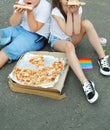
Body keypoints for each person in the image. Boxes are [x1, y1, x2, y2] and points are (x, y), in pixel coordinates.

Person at [48, 0, 110, 103]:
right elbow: (67, 31)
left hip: (72, 38)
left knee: (87, 23)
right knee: (69, 46)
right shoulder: (56, 12)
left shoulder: (78, 8)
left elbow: (76, 31)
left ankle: (102, 58)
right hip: (58, 42)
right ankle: (86, 83)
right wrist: (69, 12)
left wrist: (75, 13)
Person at [0, 0, 51, 68]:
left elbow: (34, 28)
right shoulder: (22, 2)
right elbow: (13, 23)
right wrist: (18, 13)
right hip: (20, 29)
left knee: (8, 50)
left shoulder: (45, 6)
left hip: (35, 36)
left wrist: (30, 12)